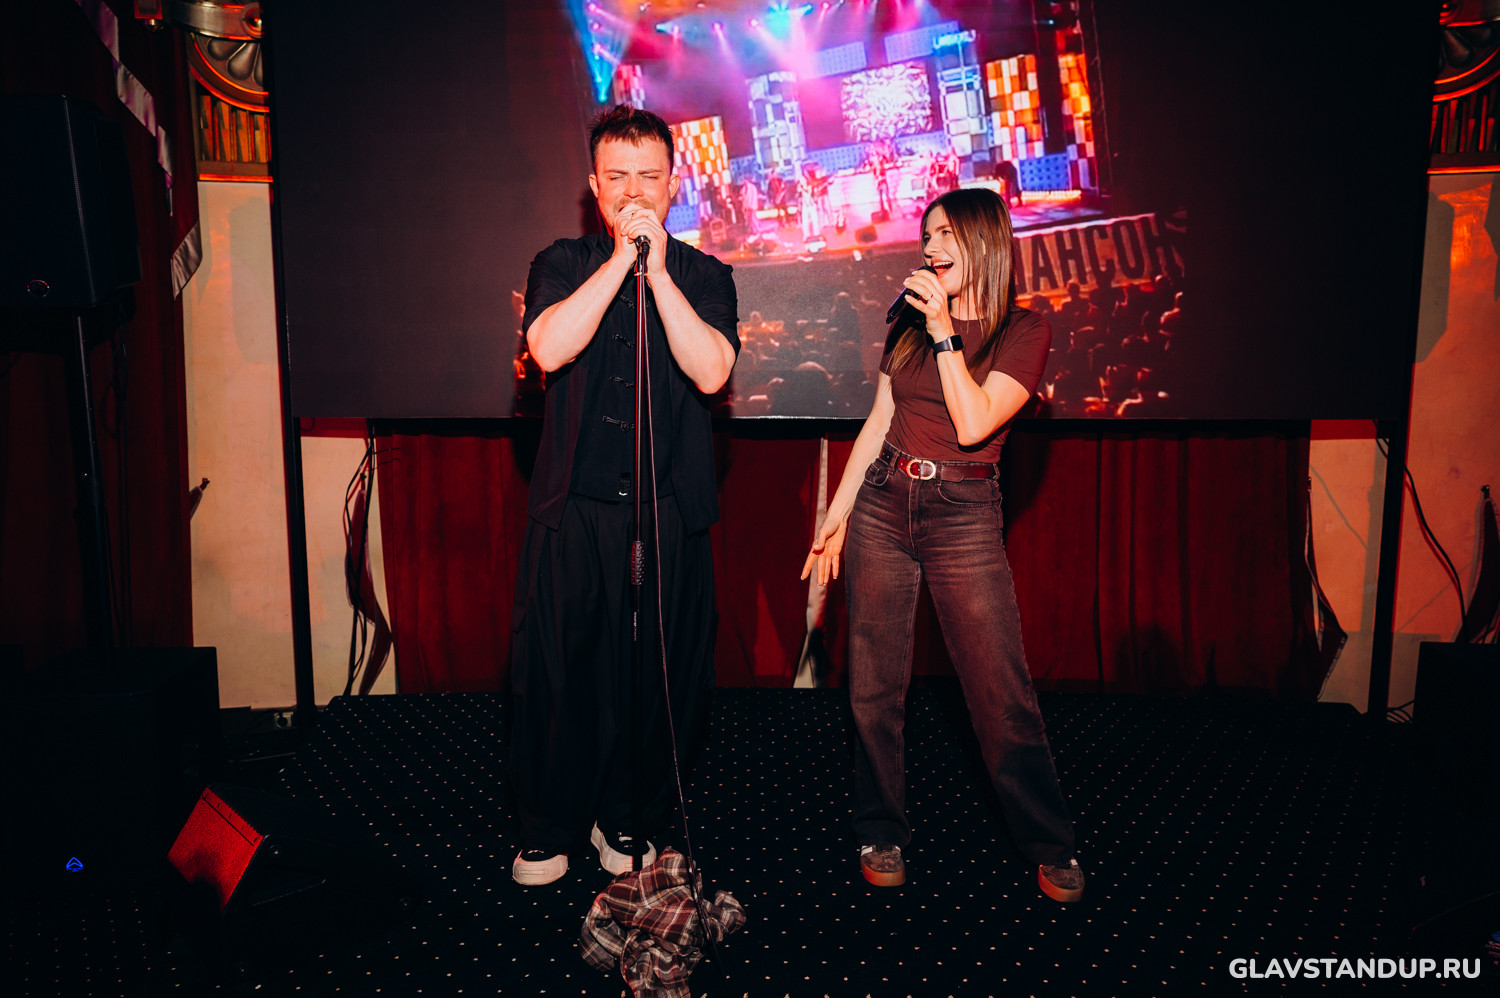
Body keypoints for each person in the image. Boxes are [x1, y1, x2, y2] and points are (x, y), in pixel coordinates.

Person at [800, 187, 1083, 902]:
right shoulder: (908, 320)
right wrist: (836, 514)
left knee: (998, 691)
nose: (930, 246)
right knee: (873, 687)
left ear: (984, 241)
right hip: (883, 501)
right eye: (927, 235)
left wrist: (947, 334)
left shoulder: (1023, 330)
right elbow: (878, 422)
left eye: (946, 233)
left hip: (962, 511)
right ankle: (880, 829)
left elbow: (974, 422)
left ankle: (1049, 841)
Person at [509, 105, 739, 887]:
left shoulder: (705, 276)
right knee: (559, 671)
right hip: (573, 508)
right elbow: (548, 347)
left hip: (666, 509)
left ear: (673, 185)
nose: (633, 191)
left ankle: (629, 815)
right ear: (594, 187)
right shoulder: (562, 261)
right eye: (617, 178)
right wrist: (619, 262)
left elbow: (711, 371)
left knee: (658, 674)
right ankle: (549, 825)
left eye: (648, 177)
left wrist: (659, 274)